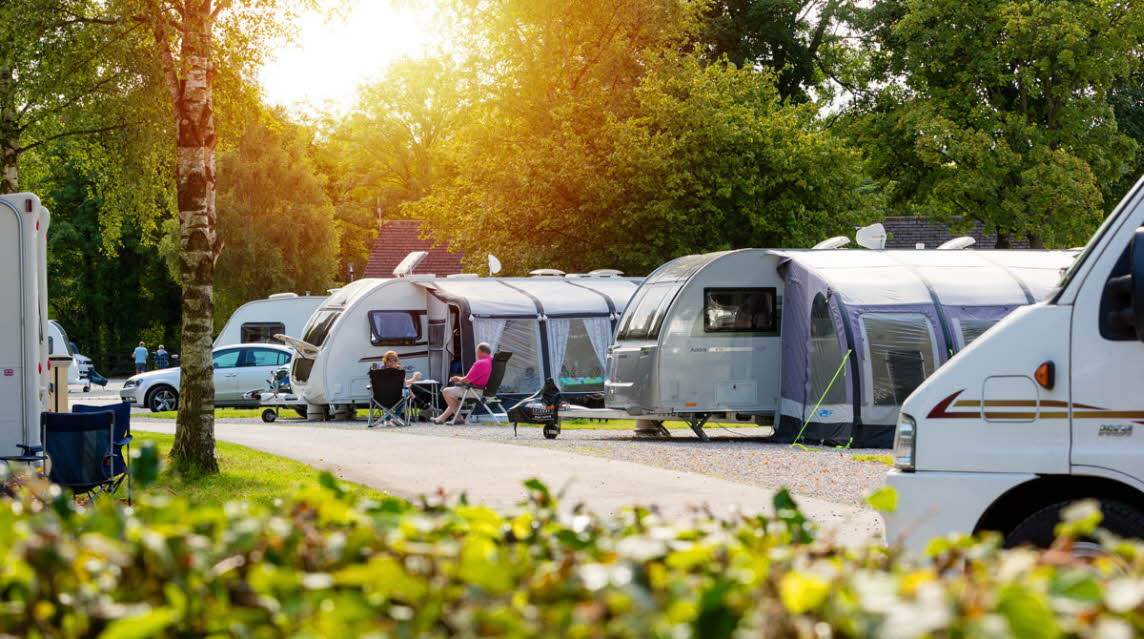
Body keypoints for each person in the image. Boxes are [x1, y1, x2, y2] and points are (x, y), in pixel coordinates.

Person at [433, 343, 493, 424]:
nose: (477, 354)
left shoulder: (481, 363)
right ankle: (441, 418)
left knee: (446, 391)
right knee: (455, 398)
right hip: (488, 391)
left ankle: (459, 418)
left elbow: (466, 380)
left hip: (476, 391)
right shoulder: (492, 361)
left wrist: (457, 378)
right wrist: (461, 380)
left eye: (477, 352)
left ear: (480, 351)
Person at [373, 351, 421, 426]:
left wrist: (411, 377)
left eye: (395, 360)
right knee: (404, 394)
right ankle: (392, 418)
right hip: (385, 394)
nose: (393, 362)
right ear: (385, 360)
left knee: (404, 393)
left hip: (388, 395)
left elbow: (403, 383)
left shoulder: (397, 369)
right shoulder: (381, 368)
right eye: (390, 360)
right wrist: (413, 379)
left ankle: (393, 419)